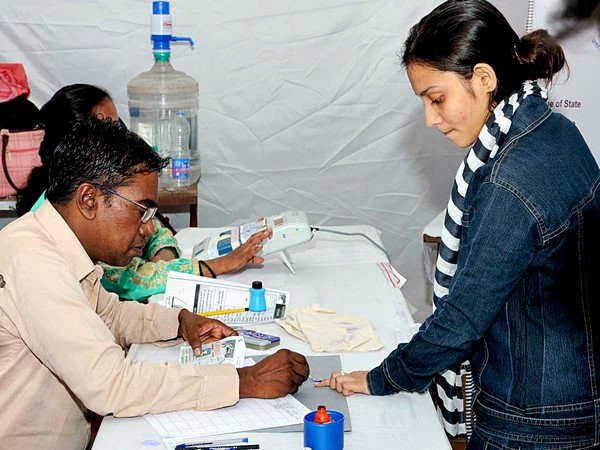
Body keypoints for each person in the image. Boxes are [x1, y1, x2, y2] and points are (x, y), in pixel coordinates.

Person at [316, 1, 600, 448]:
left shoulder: (509, 182)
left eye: (436, 98)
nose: (430, 119)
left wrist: (383, 376)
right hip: (575, 393)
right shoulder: (555, 128)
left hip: (533, 420)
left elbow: (462, 320)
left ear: (484, 79)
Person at [0, 118, 310, 448]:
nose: (149, 230)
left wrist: (179, 321)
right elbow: (110, 385)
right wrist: (243, 380)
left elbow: (111, 316)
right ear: (89, 199)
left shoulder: (59, 245)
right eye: (142, 211)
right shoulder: (33, 261)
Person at [16, 83, 271, 301]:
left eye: (119, 127)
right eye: (109, 130)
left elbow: (153, 229)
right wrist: (218, 265)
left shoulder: (101, 190)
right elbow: (131, 280)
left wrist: (163, 255)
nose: (122, 137)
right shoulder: (62, 217)